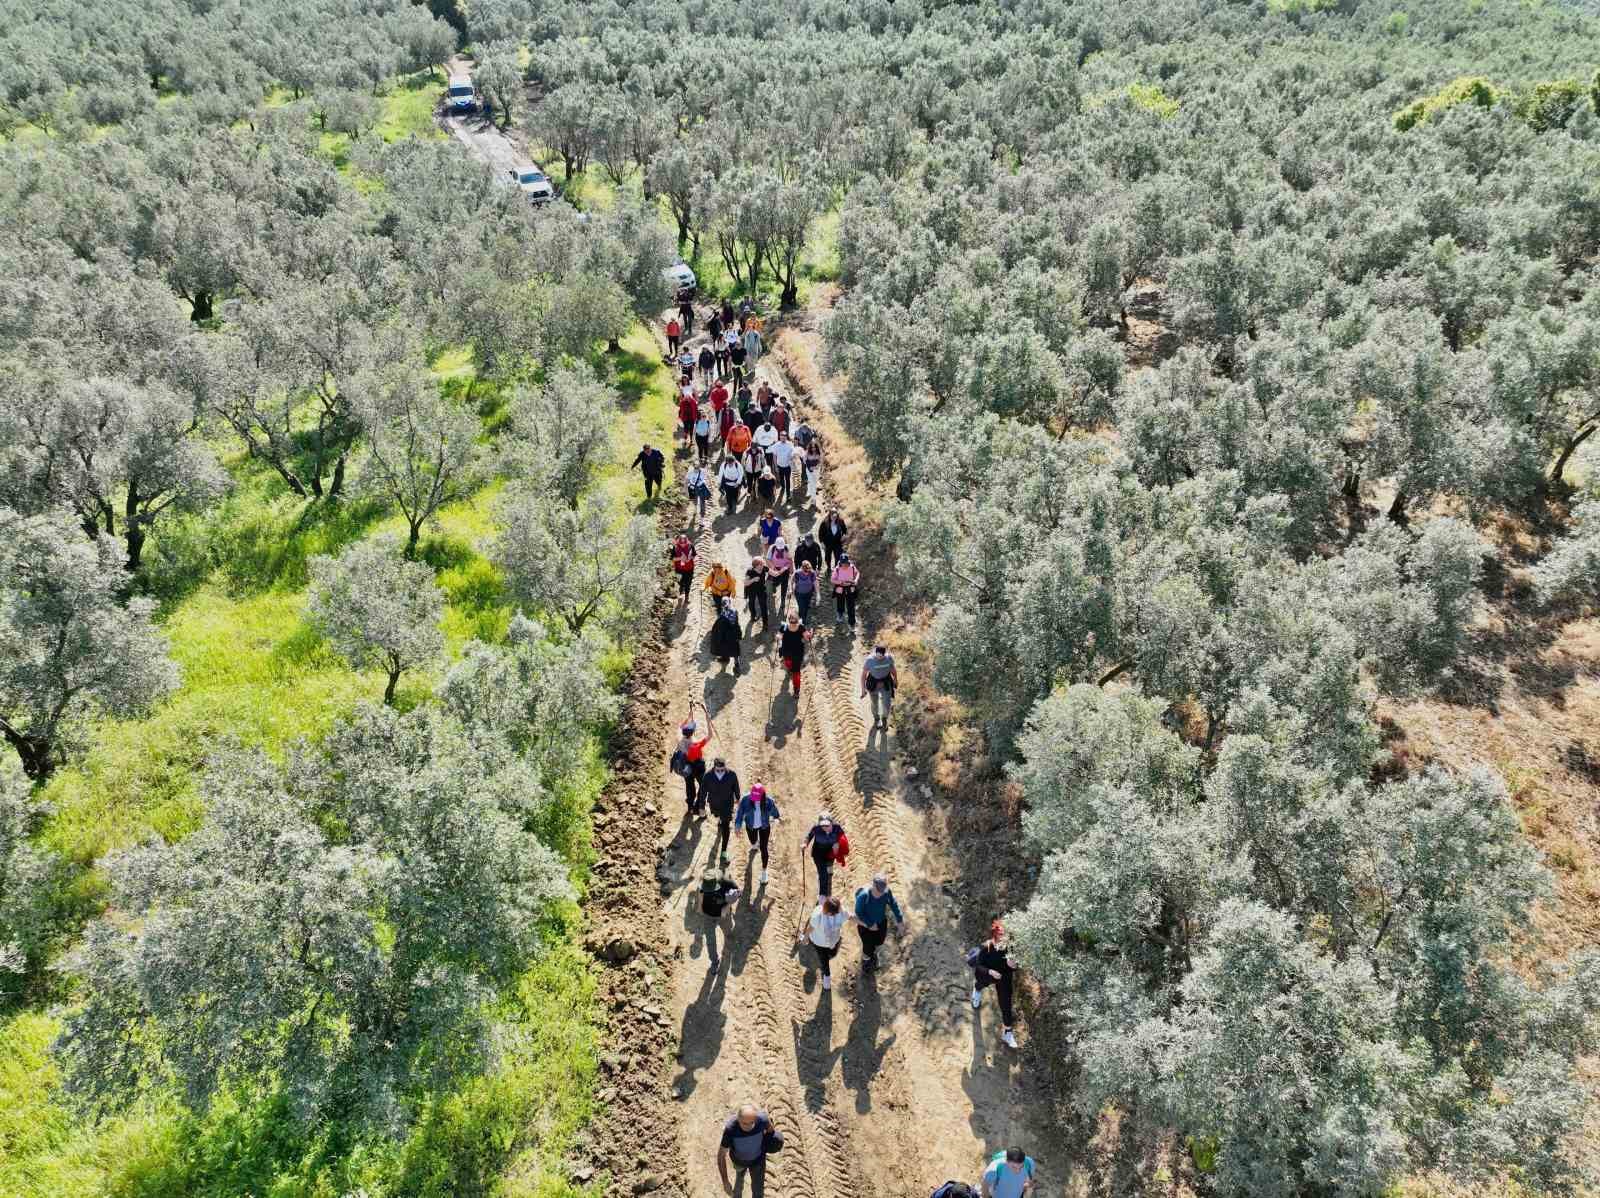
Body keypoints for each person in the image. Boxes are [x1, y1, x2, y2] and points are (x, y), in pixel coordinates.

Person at [970, 921, 1021, 1050]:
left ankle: (1007, 1033)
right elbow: (978, 965)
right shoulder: (986, 947)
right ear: (995, 934)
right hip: (988, 973)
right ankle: (977, 991)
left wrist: (1014, 966)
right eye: (1001, 934)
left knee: (1006, 1004)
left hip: (1004, 977)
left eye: (1005, 934)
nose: (1004, 937)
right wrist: (990, 972)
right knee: (980, 984)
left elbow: (1015, 966)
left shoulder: (1011, 948)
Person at [718, 1105, 780, 1198]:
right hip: (739, 1161)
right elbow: (721, 1155)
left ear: (756, 1119)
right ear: (738, 1119)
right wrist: (725, 1182)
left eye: (752, 1122)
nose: (748, 1126)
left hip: (758, 1161)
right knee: (739, 1180)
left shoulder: (762, 1120)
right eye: (744, 1123)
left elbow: (771, 1131)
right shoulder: (731, 1129)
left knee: (758, 1190)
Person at [854, 873, 904, 971]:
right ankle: (866, 961)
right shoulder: (864, 895)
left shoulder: (886, 892)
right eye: (878, 890)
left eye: (882, 890)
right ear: (873, 885)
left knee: (879, 941)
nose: (881, 893)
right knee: (868, 946)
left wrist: (900, 920)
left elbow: (893, 904)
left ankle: (873, 954)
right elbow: (858, 912)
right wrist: (870, 924)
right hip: (865, 926)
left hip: (881, 923)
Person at [734, 782, 781, 885]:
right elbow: (740, 813)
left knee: (764, 848)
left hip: (764, 826)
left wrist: (777, 818)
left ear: (763, 795)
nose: (755, 800)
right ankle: (755, 844)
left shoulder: (768, 801)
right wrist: (737, 825)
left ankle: (764, 872)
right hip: (751, 826)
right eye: (753, 797)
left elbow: (775, 812)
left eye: (758, 798)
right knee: (753, 841)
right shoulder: (745, 800)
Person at [699, 858, 742, 972]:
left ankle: (730, 948)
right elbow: (701, 893)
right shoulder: (706, 881)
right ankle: (714, 962)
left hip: (724, 916)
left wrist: (727, 905)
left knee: (728, 932)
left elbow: (738, 893)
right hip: (708, 916)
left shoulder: (725, 881)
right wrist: (700, 906)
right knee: (710, 941)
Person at [672, 706, 713, 814]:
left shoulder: (679, 738)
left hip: (686, 766)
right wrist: (708, 721)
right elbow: (710, 735)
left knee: (689, 786)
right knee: (703, 786)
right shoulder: (695, 744)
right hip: (698, 767)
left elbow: (680, 727)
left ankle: (690, 806)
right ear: (693, 732)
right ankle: (698, 808)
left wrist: (688, 716)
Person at [801, 811, 848, 897]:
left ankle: (828, 875)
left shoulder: (837, 828)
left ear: (831, 822)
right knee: (823, 874)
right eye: (823, 825)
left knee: (829, 871)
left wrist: (838, 843)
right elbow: (809, 836)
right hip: (818, 854)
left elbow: (843, 838)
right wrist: (805, 844)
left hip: (830, 853)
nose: (825, 827)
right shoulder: (816, 828)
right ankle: (822, 896)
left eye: (827, 825)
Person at [702, 757, 741, 859]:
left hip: (727, 805)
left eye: (722, 770)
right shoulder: (708, 776)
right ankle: (720, 819)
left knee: (726, 826)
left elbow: (736, 787)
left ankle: (724, 851)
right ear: (714, 767)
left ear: (725, 767)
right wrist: (701, 806)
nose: (720, 772)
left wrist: (738, 798)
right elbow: (702, 791)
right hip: (714, 804)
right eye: (718, 770)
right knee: (717, 815)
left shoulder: (732, 775)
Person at [860, 643, 897, 728]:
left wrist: (895, 679)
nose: (879, 658)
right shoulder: (869, 660)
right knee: (874, 703)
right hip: (873, 684)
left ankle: (884, 719)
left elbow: (893, 670)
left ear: (885, 654)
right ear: (875, 653)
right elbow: (863, 675)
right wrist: (863, 689)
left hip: (886, 683)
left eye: (881, 656)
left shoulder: (889, 658)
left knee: (887, 704)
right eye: (878, 656)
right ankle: (877, 719)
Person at [777, 611, 811, 695]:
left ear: (798, 621)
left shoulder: (801, 627)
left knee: (796, 672)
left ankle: (796, 689)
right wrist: (778, 637)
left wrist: (808, 636)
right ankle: (789, 669)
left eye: (795, 621)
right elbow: (779, 635)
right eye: (791, 621)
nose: (793, 624)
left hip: (797, 653)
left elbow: (806, 636)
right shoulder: (784, 627)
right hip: (786, 652)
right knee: (787, 664)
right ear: (788, 621)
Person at [711, 600, 742, 671]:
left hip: (725, 635)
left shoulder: (723, 615)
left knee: (724, 646)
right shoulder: (734, 611)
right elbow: (737, 624)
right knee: (735, 650)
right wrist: (739, 635)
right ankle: (736, 665)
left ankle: (725, 658)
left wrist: (718, 637)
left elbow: (720, 628)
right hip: (734, 634)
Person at [744, 556, 771, 632]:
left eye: (762, 564)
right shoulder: (750, 571)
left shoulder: (764, 568)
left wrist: (781, 572)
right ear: (756, 565)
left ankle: (765, 624)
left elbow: (773, 573)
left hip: (761, 589)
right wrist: (753, 580)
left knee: (764, 606)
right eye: (761, 564)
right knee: (751, 603)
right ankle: (753, 616)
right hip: (751, 590)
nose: (763, 565)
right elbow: (745, 583)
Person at [767, 537, 793, 613]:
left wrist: (791, 570)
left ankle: (783, 602)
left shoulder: (787, 548)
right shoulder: (772, 548)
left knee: (784, 586)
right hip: (775, 569)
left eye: (781, 549)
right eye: (779, 549)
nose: (780, 550)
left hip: (785, 569)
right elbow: (768, 559)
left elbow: (790, 559)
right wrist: (773, 567)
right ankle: (773, 588)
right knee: (773, 582)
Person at [669, 533, 697, 603]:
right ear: (679, 541)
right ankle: (681, 591)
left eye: (684, 543)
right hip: (679, 569)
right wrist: (680, 558)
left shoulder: (690, 546)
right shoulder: (675, 547)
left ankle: (687, 597)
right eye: (681, 543)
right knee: (680, 582)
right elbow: (672, 559)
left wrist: (690, 558)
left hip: (689, 569)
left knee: (688, 583)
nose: (683, 544)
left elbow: (694, 554)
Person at [793, 560, 820, 625]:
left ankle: (801, 615)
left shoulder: (812, 573)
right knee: (802, 606)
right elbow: (794, 583)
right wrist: (792, 590)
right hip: (799, 593)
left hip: (808, 593)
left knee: (806, 606)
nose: (806, 573)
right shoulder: (797, 573)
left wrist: (818, 594)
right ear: (802, 568)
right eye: (805, 571)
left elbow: (815, 583)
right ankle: (803, 621)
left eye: (808, 571)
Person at [772, 431, 795, 503]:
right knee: (781, 479)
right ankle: (783, 487)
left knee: (788, 480)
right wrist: (775, 466)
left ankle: (788, 496)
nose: (783, 437)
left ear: (786, 437)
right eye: (782, 436)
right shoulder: (776, 445)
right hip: (779, 466)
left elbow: (793, 454)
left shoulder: (790, 444)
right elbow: (774, 456)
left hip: (788, 466)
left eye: (784, 436)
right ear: (780, 437)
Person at [804, 441, 821, 505]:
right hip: (809, 470)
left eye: (814, 447)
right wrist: (810, 467)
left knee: (814, 483)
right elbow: (805, 461)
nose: (813, 449)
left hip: (816, 470)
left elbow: (820, 461)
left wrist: (816, 467)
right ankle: (813, 499)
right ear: (810, 447)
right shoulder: (807, 453)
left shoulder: (819, 453)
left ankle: (809, 491)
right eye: (812, 447)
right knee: (812, 483)